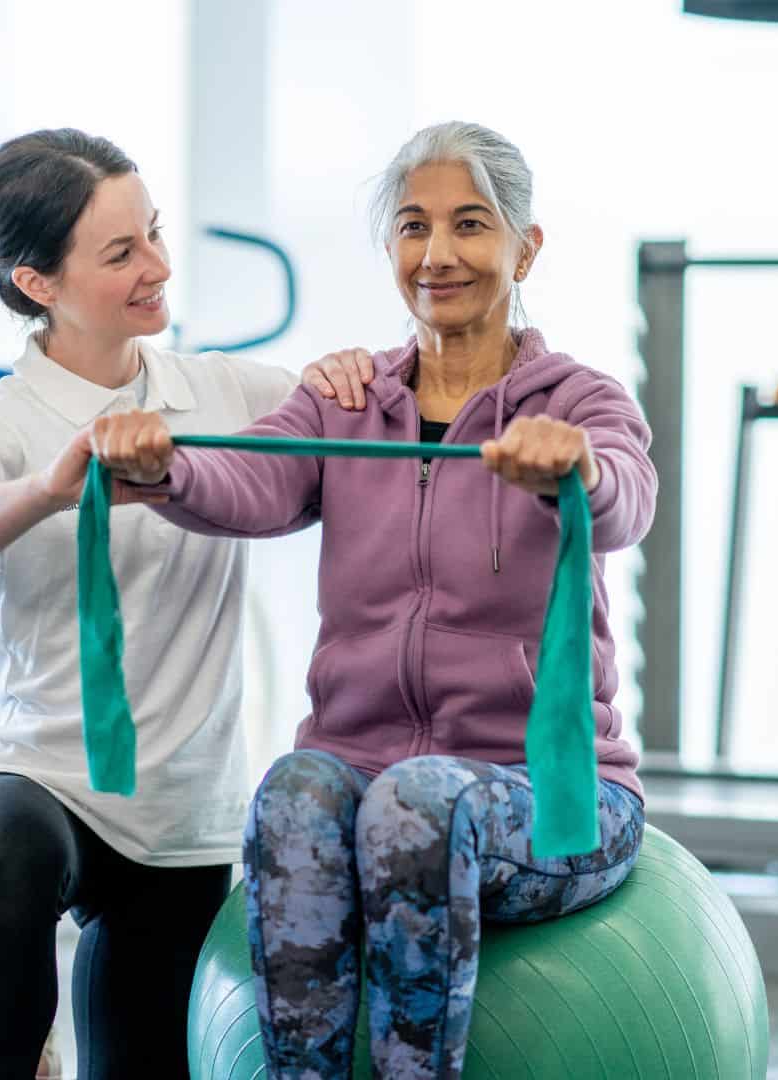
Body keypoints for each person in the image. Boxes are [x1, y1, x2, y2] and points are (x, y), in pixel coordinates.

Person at [90, 121, 655, 1080]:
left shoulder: (580, 401)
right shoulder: (345, 401)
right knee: (293, 794)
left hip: (554, 799)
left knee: (415, 802)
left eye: (471, 225)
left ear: (526, 246)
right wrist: (163, 465)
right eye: (413, 228)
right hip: (364, 775)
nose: (438, 255)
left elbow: (627, 500)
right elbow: (250, 482)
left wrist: (578, 470)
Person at [0, 128, 371, 1080]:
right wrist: (51, 485)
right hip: (41, 777)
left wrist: (347, 376)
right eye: (121, 253)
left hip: (178, 816)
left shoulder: (222, 392)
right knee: (12, 863)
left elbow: (359, 422)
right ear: (38, 283)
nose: (159, 266)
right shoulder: (1, 424)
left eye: (153, 234)